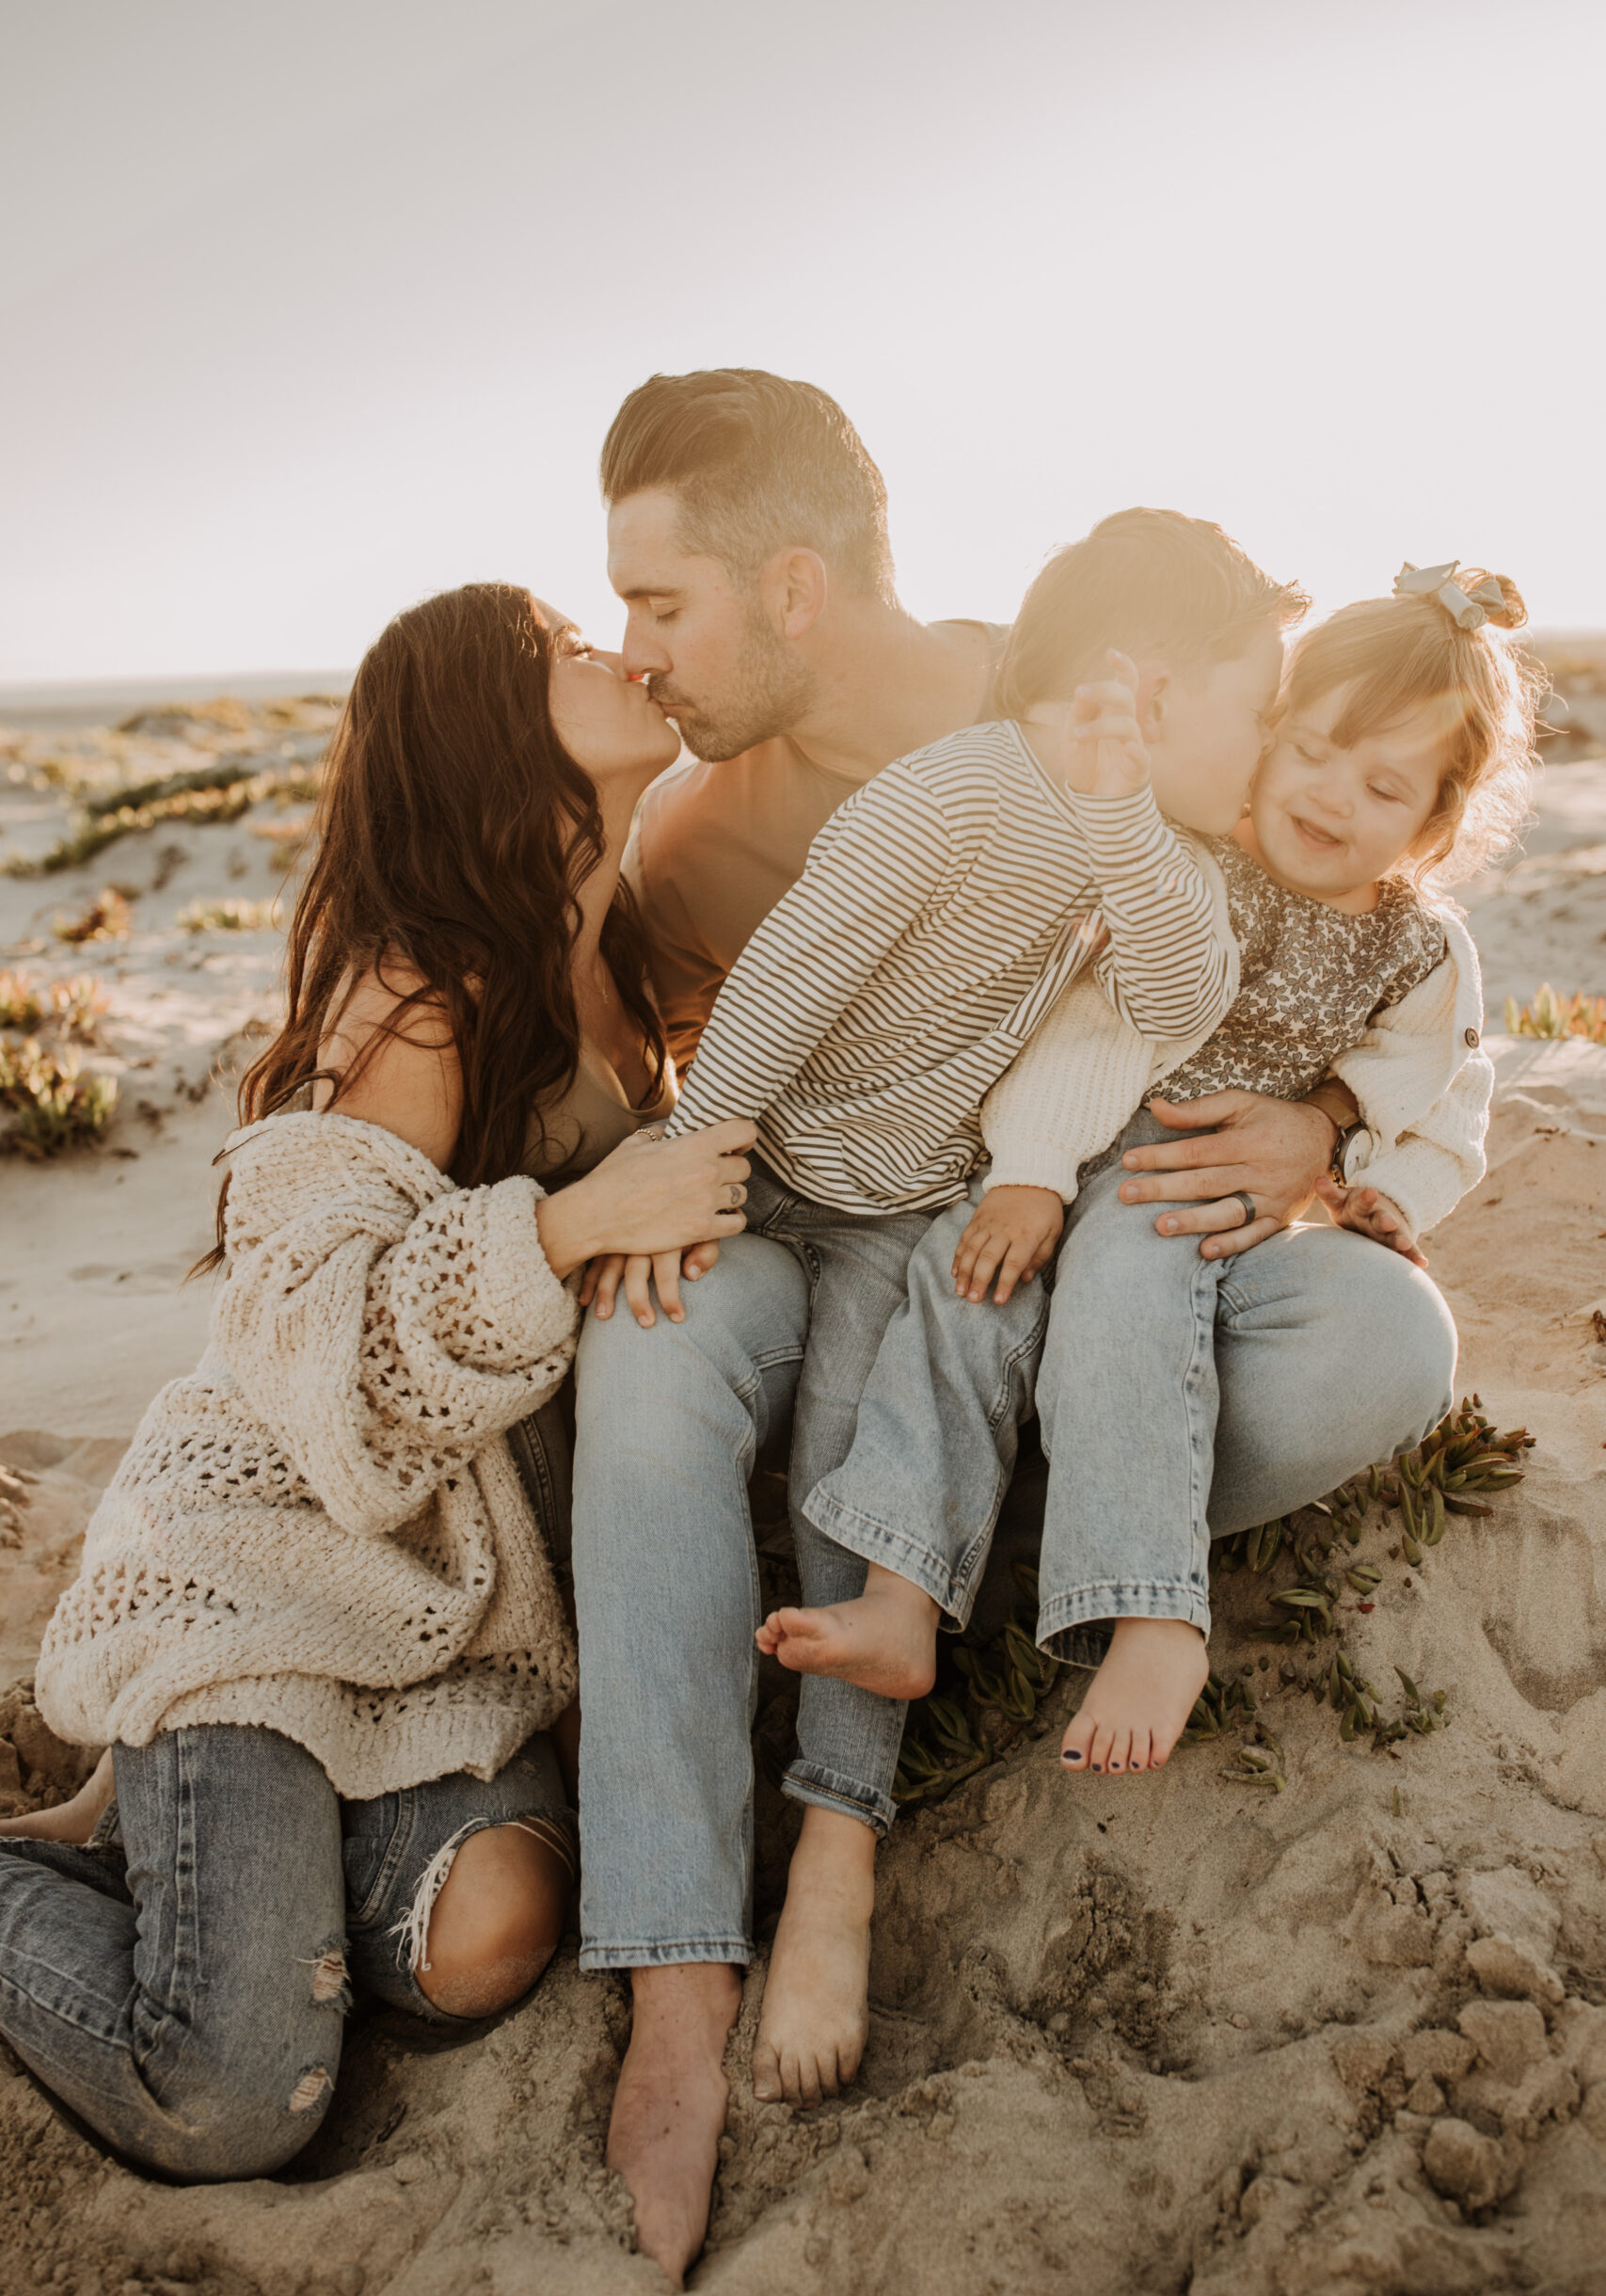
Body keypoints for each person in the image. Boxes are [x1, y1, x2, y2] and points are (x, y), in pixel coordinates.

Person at [566, 368, 1432, 2288]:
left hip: (1024, 1268)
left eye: (659, 609)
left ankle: (931, 1565)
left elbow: (1277, 925)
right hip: (835, 1222)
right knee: (704, 1384)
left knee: (1380, 1343)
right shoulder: (739, 831)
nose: (638, 656)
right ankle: (695, 1948)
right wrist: (678, 1150)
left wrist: (1334, 1126)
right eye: (618, 613)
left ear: (790, 587)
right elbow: (726, 1022)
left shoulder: (1114, 757)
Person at [0, 584, 754, 2183]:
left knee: (486, 1940)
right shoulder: (414, 1002)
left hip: (442, 1631)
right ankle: (168, 1811)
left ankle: (161, 1844)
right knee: (230, 2093)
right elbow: (320, 1364)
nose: (619, 649)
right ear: (494, 728)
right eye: (565, 647)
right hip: (263, 1596)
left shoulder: (621, 958)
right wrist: (562, 1230)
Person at [774, 562, 1536, 1784]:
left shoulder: (1417, 949)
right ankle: (903, 1597)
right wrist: (1026, 1171)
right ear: (1269, 736)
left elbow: (1443, 1097)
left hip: (1178, 1197)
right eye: (1317, 751)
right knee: (958, 1302)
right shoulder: (1194, 870)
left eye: (1386, 785)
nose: (1335, 797)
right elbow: (1088, 1035)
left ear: (1437, 827)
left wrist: (1376, 1178)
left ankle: (1151, 1609)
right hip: (1073, 1154)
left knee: (1138, 1274)